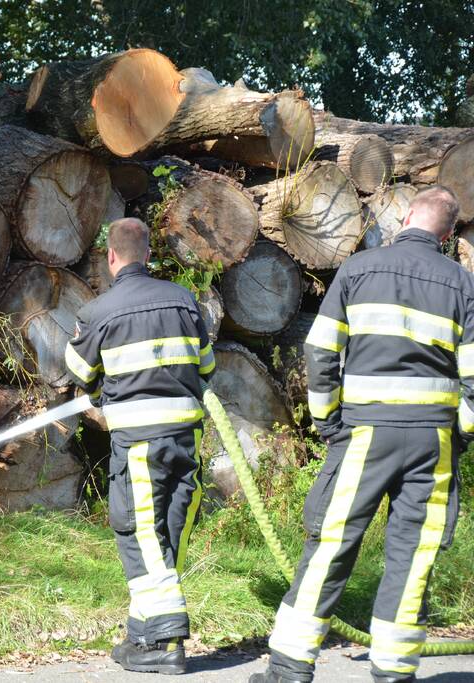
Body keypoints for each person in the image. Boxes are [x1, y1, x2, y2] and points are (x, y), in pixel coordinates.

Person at [251, 186, 470, 683]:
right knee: (414, 553)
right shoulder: (462, 283)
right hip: (431, 440)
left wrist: (328, 419)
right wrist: (461, 435)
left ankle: (290, 665)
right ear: (450, 233)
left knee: (332, 541)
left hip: (366, 433)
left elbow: (320, 349)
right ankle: (393, 670)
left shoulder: (358, 269)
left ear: (407, 217)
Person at [65, 218, 215, 675]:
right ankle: (141, 632)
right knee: (168, 534)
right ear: (148, 255)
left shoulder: (98, 312)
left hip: (138, 446)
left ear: (111, 257)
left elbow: (77, 371)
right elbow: (205, 365)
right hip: (186, 440)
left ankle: (168, 640)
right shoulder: (185, 300)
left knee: (140, 534)